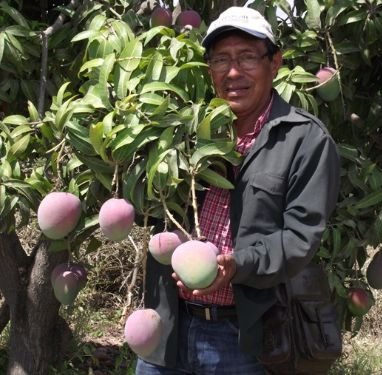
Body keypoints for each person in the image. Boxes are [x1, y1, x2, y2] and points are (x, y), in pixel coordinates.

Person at [136, 6, 341, 375]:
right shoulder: (185, 129)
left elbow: (299, 239)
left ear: (274, 62)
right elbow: (151, 210)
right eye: (221, 59)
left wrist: (237, 265)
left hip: (244, 336)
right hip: (167, 327)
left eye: (247, 57)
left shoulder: (305, 140)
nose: (233, 72)